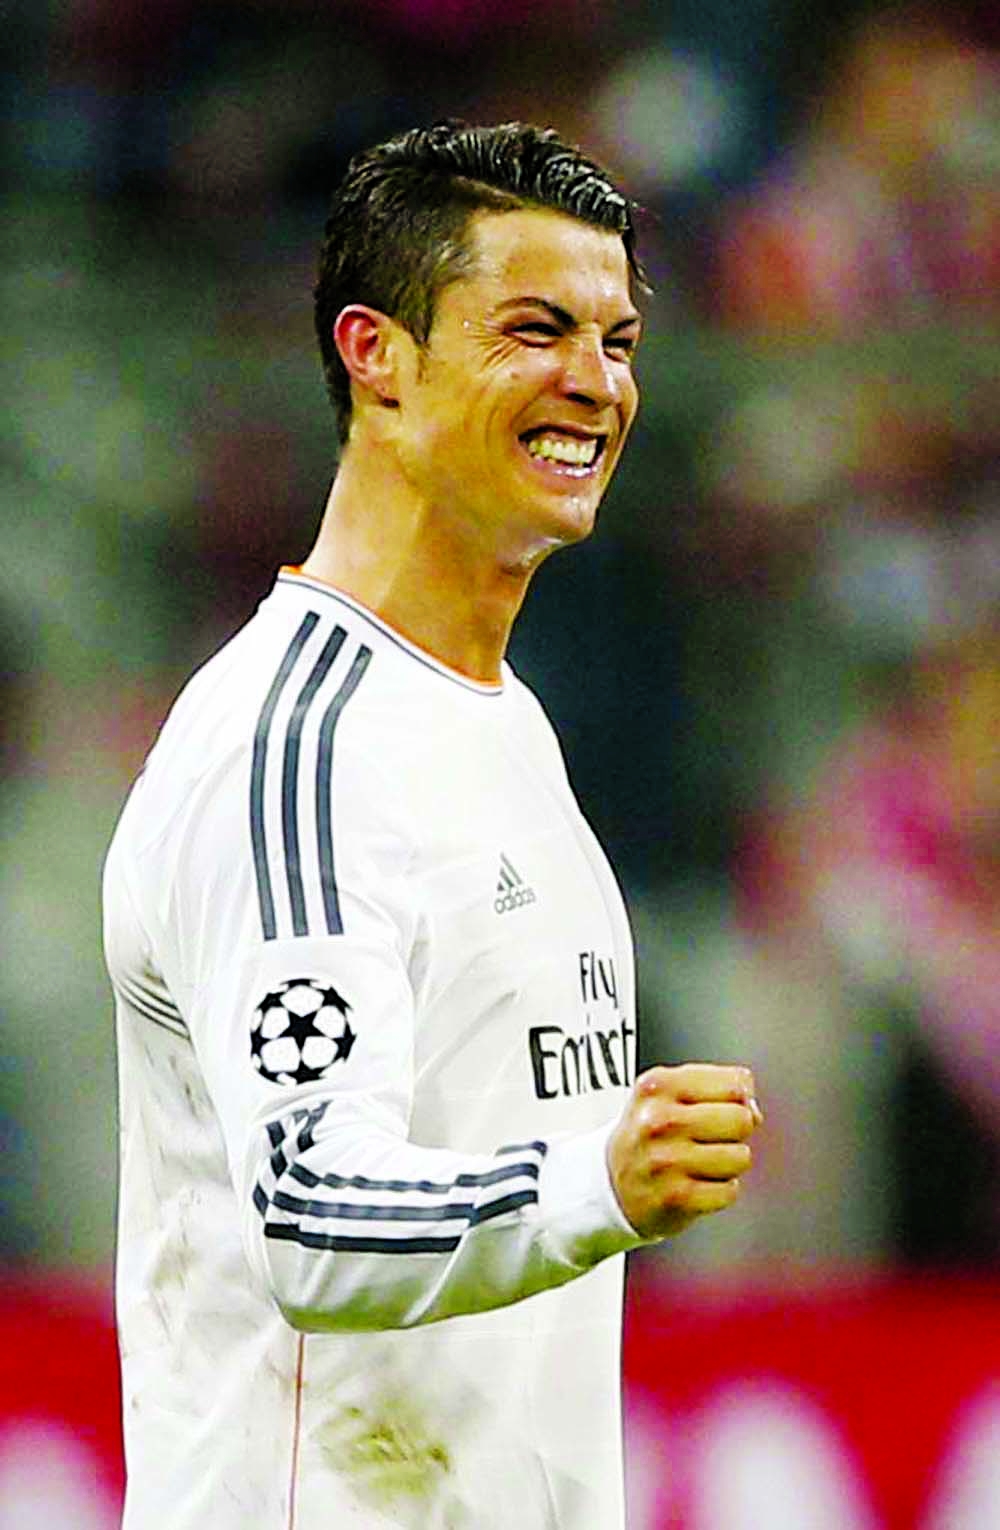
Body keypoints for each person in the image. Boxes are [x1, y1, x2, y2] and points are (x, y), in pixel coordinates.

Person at [102, 120, 761, 1530]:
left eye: (621, 339)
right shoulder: (295, 751)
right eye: (535, 329)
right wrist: (598, 1176)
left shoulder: (502, 722)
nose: (594, 381)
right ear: (376, 355)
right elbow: (311, 1209)